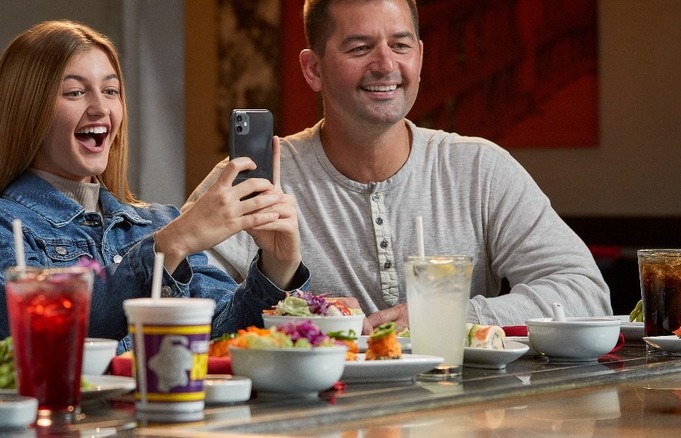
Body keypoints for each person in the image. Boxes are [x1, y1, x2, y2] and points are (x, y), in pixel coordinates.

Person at [186, 0, 612, 334]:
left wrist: (449, 316)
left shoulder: (480, 168)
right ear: (313, 69)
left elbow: (584, 292)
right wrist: (304, 312)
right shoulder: (252, 177)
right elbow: (184, 306)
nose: (386, 64)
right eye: (360, 47)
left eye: (401, 45)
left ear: (420, 58)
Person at [0, 20, 308, 353]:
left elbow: (223, 338)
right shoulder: (9, 227)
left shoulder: (157, 223)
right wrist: (171, 245)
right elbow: (44, 336)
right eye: (75, 92)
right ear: (28, 108)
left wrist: (276, 268)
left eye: (111, 91)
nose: (101, 109)